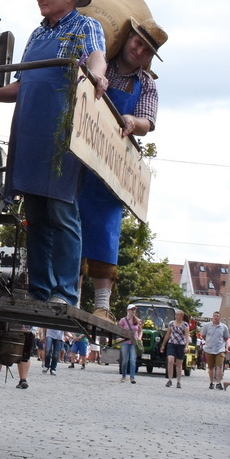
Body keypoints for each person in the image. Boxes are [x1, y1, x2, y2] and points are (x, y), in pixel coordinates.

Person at [0, 0, 107, 307]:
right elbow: (23, 83)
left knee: (61, 210)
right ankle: (40, 289)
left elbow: (96, 58)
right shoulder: (36, 34)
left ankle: (65, 292)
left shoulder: (84, 25)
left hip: (61, 131)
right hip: (29, 129)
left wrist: (96, 78)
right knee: (35, 213)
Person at [73, 19, 164, 316]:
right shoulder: (103, 61)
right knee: (69, 217)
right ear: (127, 39)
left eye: (147, 50)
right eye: (138, 43)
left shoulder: (147, 84)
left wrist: (131, 121)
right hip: (80, 153)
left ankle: (102, 303)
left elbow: (147, 122)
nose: (139, 51)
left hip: (111, 162)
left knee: (106, 226)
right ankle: (68, 292)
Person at [115, 306, 141, 383]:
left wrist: (139, 338)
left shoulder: (138, 320)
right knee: (124, 360)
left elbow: (140, 331)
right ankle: (123, 376)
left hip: (134, 342)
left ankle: (132, 377)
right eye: (132, 309)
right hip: (125, 342)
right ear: (128, 311)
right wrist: (121, 338)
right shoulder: (123, 320)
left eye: (134, 309)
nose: (133, 311)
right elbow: (119, 331)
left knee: (133, 359)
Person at [203, 313, 228, 389]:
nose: (216, 317)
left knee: (219, 365)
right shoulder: (207, 326)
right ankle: (211, 382)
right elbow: (203, 335)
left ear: (220, 318)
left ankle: (218, 383)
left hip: (220, 349)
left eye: (218, 316)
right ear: (212, 317)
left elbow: (226, 337)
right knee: (211, 366)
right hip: (209, 348)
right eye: (215, 316)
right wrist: (208, 342)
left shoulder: (224, 327)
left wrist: (223, 345)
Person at [165, 311, 188, 388]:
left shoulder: (185, 325)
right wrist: (163, 344)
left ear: (182, 316)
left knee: (179, 364)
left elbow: (187, 337)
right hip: (171, 343)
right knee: (170, 360)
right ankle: (170, 379)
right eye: (176, 315)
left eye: (178, 315)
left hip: (180, 344)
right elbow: (168, 334)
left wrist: (186, 346)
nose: (177, 316)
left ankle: (178, 381)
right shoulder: (171, 323)